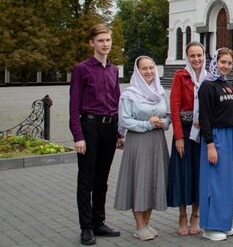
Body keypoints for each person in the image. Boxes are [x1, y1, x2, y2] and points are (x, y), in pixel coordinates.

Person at [69, 23, 123, 246]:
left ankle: (99, 221)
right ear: (92, 43)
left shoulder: (113, 69)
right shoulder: (81, 69)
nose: (105, 44)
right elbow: (74, 106)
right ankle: (86, 227)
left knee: (102, 180)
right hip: (90, 127)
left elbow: (117, 101)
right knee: (86, 181)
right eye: (101, 40)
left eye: (108, 40)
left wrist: (119, 132)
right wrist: (78, 136)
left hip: (109, 129)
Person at [114, 56, 171, 241]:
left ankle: (147, 223)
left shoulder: (160, 92)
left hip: (157, 141)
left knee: (154, 180)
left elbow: (168, 117)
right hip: (138, 141)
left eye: (151, 68)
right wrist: (147, 124)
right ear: (137, 72)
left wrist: (162, 122)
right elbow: (125, 120)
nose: (149, 72)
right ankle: (139, 226)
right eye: (144, 69)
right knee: (139, 180)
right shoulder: (129, 94)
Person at [197, 48, 233, 241]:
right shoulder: (207, 85)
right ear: (215, 62)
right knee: (213, 183)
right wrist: (210, 144)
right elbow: (204, 117)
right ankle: (210, 226)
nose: (226, 66)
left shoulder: (229, 85)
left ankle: (224, 222)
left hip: (230, 137)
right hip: (216, 137)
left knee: (226, 183)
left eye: (229, 63)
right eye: (222, 62)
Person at [167, 41, 207, 236]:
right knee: (183, 174)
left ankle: (196, 215)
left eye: (199, 55)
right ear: (187, 57)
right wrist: (178, 138)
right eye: (192, 56)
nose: (196, 59)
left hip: (202, 133)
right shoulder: (180, 76)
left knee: (199, 174)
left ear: (204, 55)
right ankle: (182, 216)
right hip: (184, 131)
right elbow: (174, 108)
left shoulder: (209, 77)